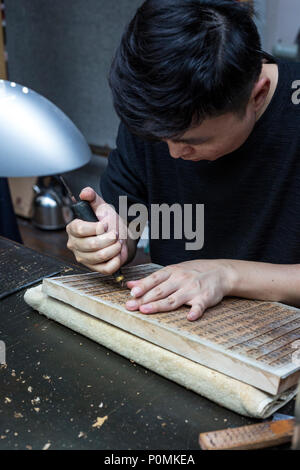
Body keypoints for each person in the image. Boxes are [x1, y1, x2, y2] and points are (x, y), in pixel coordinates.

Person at [66, 0, 300, 321]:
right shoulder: (157, 112)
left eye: (193, 142)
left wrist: (227, 275)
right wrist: (111, 239)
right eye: (161, 140)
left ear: (256, 97)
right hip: (177, 324)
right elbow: (128, 218)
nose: (174, 153)